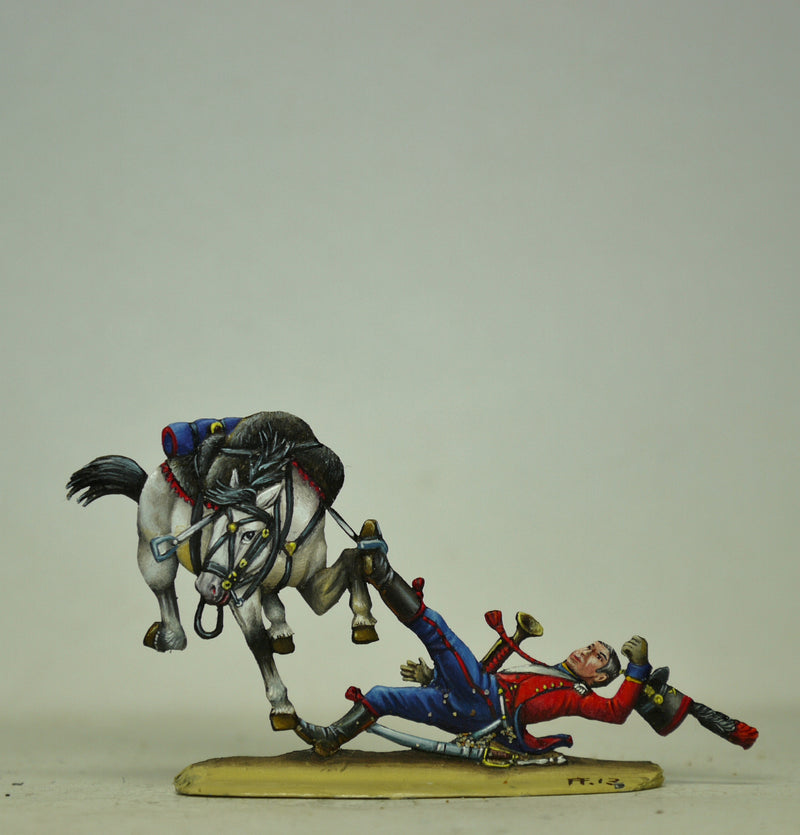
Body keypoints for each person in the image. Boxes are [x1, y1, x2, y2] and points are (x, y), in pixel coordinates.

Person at [295, 534, 653, 757]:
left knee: (438, 632)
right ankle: (330, 738)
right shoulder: (549, 671)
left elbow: (616, 712)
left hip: (484, 704)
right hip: (466, 703)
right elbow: (484, 672)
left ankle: (379, 572)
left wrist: (637, 667)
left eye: (597, 656)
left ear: (599, 678)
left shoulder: (577, 694)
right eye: (590, 646)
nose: (586, 651)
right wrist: (434, 678)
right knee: (380, 696)